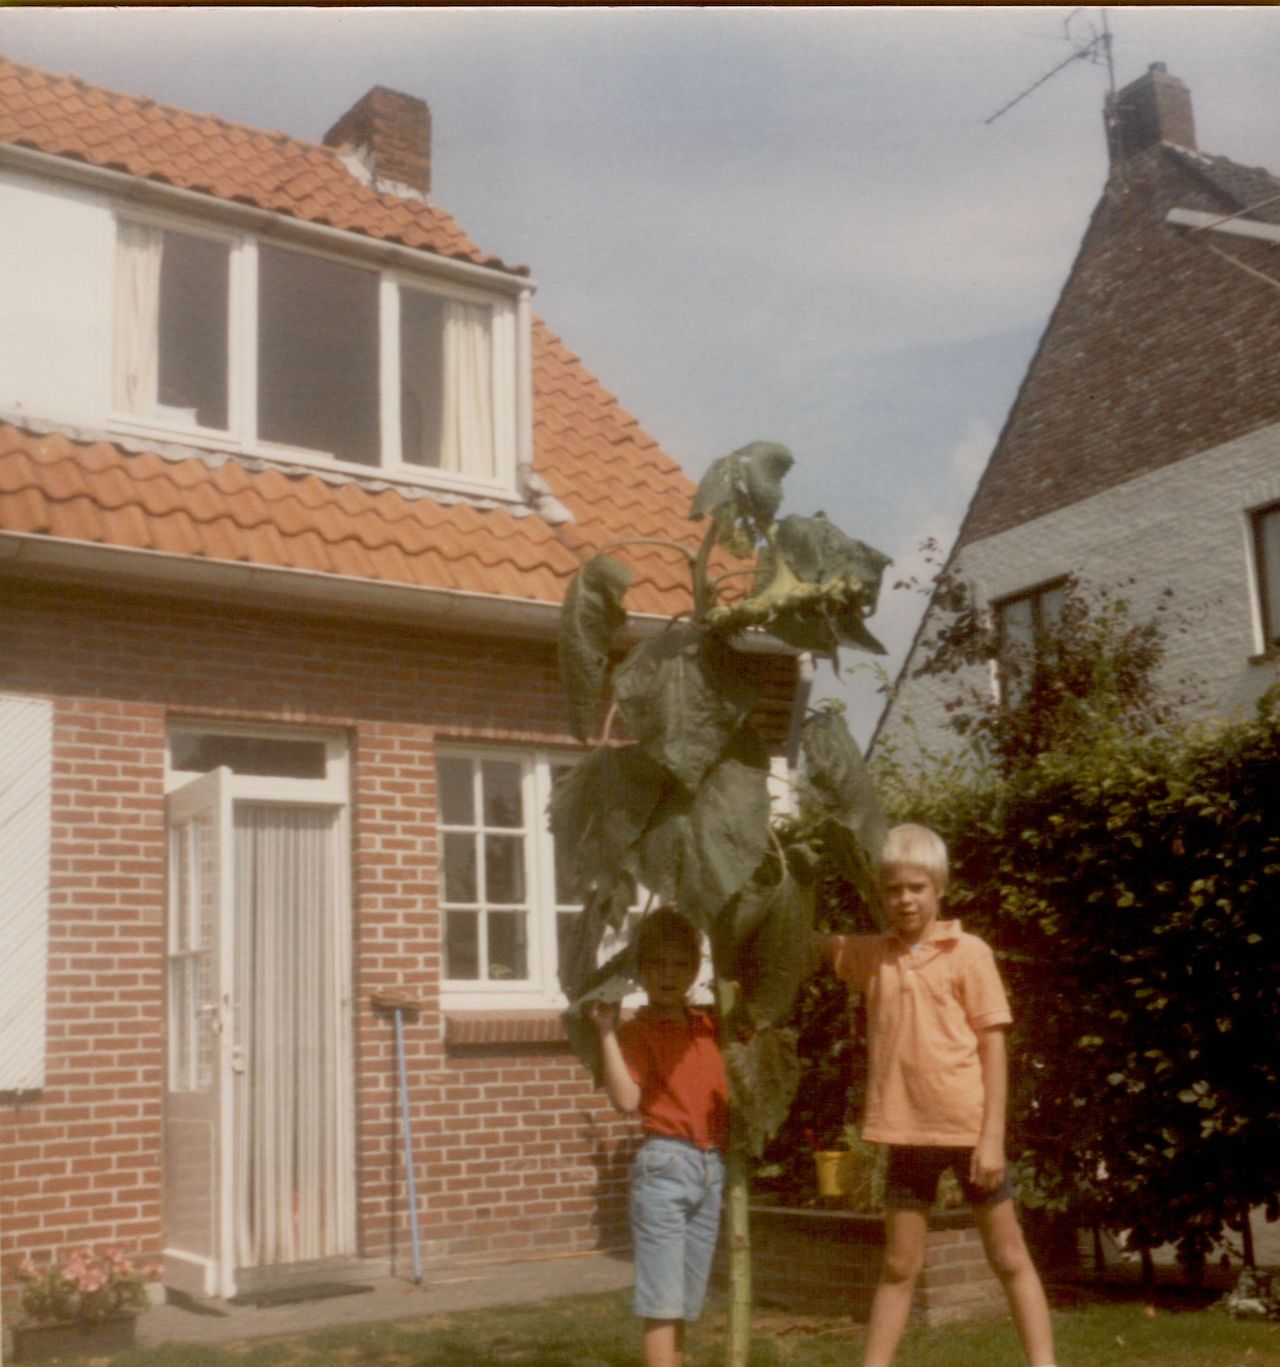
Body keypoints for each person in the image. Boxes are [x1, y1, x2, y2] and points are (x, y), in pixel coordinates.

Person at [818, 823, 1057, 1367]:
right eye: (893, 888)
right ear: (879, 893)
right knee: (900, 1265)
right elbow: (808, 944)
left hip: (969, 1134)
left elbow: (993, 1047)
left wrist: (991, 1138)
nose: (905, 899)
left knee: (1008, 1256)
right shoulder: (872, 954)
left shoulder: (969, 954)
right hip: (907, 1136)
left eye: (916, 887)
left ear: (940, 888)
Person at [591, 906, 728, 1367]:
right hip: (666, 1167)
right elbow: (627, 1100)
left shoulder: (710, 1026)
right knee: (661, 1303)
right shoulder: (639, 1032)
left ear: (694, 969)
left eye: (679, 964)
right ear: (640, 970)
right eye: (657, 965)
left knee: (685, 1300)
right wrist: (607, 1034)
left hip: (712, 1167)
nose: (669, 975)